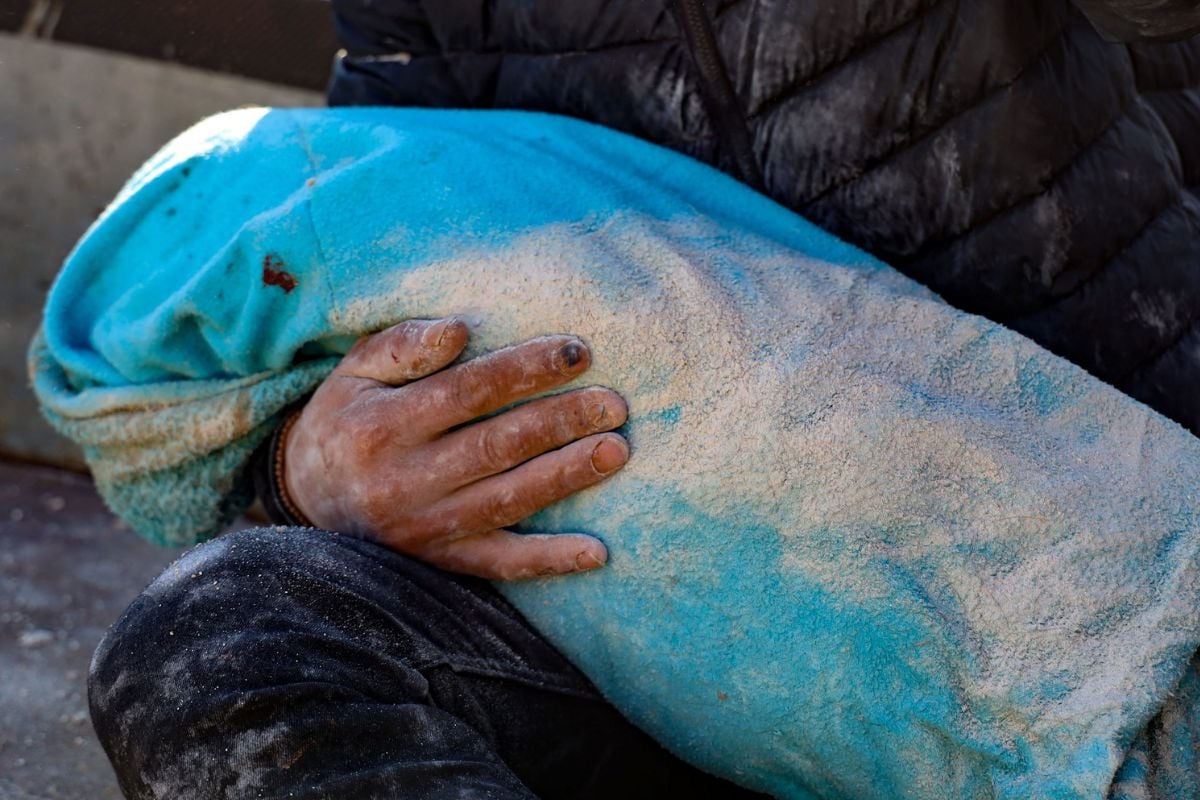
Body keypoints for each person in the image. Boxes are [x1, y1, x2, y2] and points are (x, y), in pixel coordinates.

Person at [31, 1, 1197, 797]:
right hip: (646, 617)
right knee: (209, 641)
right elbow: (362, 244)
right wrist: (309, 467)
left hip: (1082, 578)